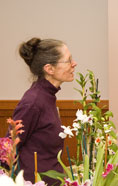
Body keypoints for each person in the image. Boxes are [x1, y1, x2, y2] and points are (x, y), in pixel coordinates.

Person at [9, 37, 77, 185]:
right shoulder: (33, 102)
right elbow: (9, 148)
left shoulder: (47, 96)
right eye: (68, 60)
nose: (74, 64)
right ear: (49, 69)